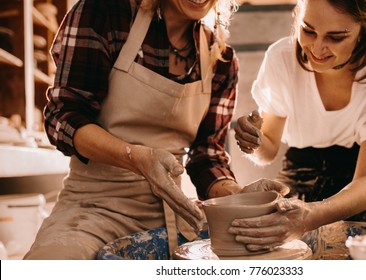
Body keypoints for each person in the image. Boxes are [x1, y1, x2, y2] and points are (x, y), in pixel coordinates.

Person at [24, 0, 252, 260]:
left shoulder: (221, 59)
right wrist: (136, 158)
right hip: (92, 210)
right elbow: (62, 117)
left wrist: (238, 196)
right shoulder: (105, 14)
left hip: (172, 217)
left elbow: (206, 155)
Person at [230, 0, 366, 252]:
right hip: (300, 167)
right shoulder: (281, 58)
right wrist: (254, 143)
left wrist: (311, 215)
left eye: (335, 37)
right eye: (308, 30)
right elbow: (268, 150)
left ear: (364, 30)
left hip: (360, 171)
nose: (316, 48)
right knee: (266, 239)